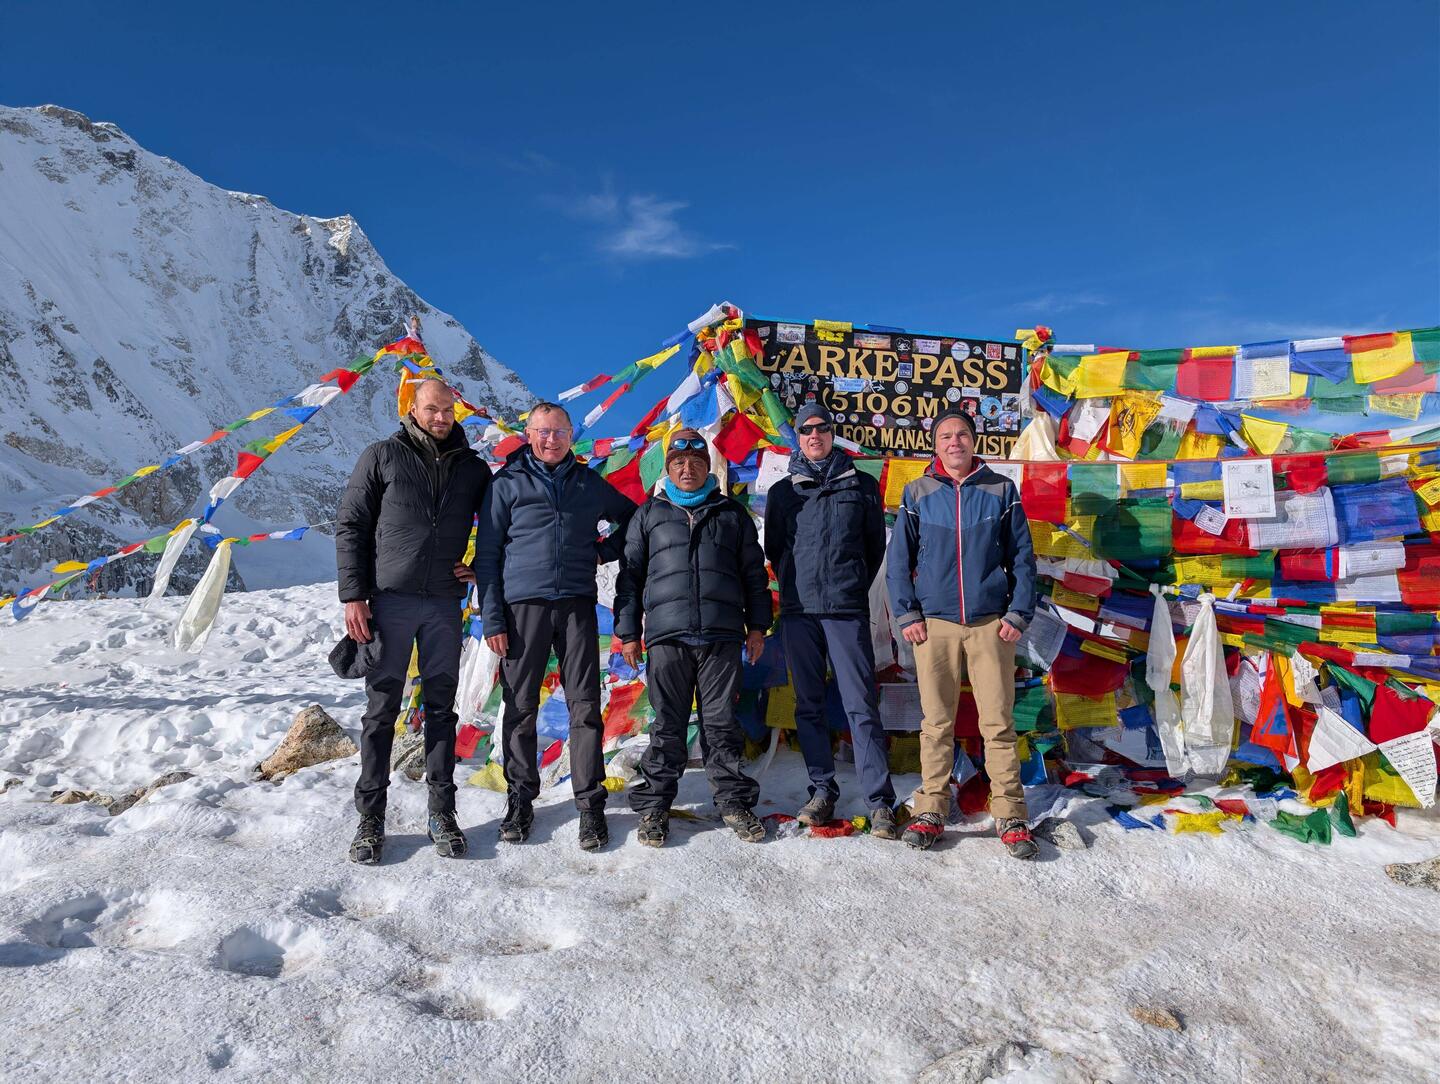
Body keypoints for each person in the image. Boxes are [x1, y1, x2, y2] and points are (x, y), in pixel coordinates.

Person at [335, 377, 492, 864]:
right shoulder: (382, 456)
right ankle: (370, 819)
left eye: (447, 410)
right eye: (431, 409)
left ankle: (442, 813)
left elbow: (497, 527)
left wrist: (480, 566)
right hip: (389, 602)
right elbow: (352, 525)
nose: (440, 417)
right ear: (413, 410)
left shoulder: (473, 468)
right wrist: (354, 595)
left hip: (444, 603)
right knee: (381, 710)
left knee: (442, 710)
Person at [475, 401, 637, 851]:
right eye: (543, 432)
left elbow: (631, 518)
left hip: (576, 606)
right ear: (529, 434)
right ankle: (520, 799)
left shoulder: (588, 483)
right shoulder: (506, 484)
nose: (551, 440)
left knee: (584, 705)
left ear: (571, 436)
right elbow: (487, 555)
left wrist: (601, 551)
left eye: (560, 432)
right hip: (521, 608)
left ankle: (590, 804)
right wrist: (493, 618)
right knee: (520, 706)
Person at [885, 407, 1038, 858]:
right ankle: (931, 808)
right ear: (935, 445)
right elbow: (898, 562)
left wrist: (1017, 613)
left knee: (998, 723)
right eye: (946, 436)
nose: (955, 442)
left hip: (991, 625)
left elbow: (1023, 558)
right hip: (934, 625)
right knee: (936, 723)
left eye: (962, 434)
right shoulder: (918, 492)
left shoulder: (1000, 490)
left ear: (974, 441)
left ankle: (1010, 813)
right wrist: (908, 616)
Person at [614, 429, 773, 847]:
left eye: (697, 462)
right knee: (667, 724)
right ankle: (655, 807)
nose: (688, 469)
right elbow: (630, 578)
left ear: (708, 467)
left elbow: (753, 575)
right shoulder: (649, 514)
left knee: (721, 725)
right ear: (669, 468)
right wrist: (628, 632)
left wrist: (758, 626)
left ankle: (733, 802)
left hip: (722, 635)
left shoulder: (731, 513)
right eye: (679, 463)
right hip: (667, 636)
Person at [763, 404, 898, 838]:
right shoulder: (783, 493)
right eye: (806, 429)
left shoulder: (862, 485)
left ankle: (880, 801)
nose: (814, 435)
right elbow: (775, 549)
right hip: (799, 612)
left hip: (845, 610)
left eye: (822, 427)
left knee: (861, 704)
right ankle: (822, 790)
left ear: (832, 432)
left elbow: (873, 548)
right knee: (808, 705)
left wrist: (849, 584)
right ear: (798, 437)